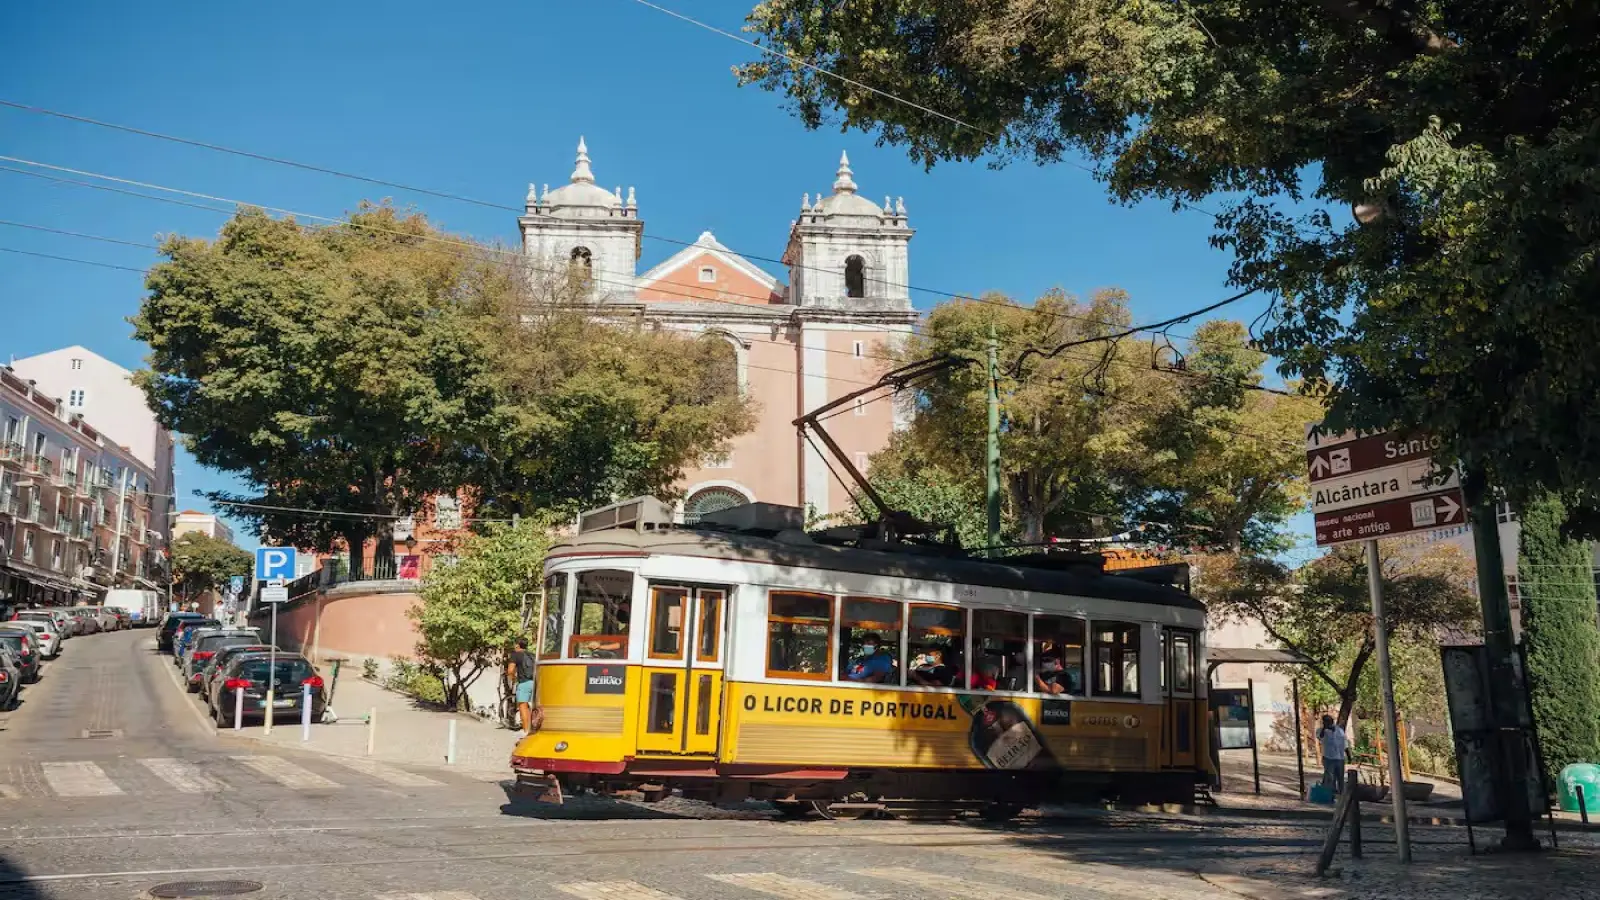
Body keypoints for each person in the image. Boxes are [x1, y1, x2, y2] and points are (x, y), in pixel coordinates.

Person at [507, 639, 537, 736]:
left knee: (523, 707)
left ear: (517, 645)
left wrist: (513, 678)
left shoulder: (515, 655)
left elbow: (510, 670)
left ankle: (526, 731)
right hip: (535, 683)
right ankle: (531, 730)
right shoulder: (532, 655)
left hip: (524, 683)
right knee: (530, 708)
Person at [1316, 714, 1348, 794]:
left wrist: (1348, 754)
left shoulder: (1339, 730)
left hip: (1340, 758)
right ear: (1323, 722)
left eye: (1330, 721)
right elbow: (1320, 737)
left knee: (1340, 777)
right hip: (1328, 758)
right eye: (1326, 721)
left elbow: (1344, 742)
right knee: (1330, 777)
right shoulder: (1321, 730)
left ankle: (1341, 793)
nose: (1329, 722)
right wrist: (1325, 728)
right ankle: (1331, 793)